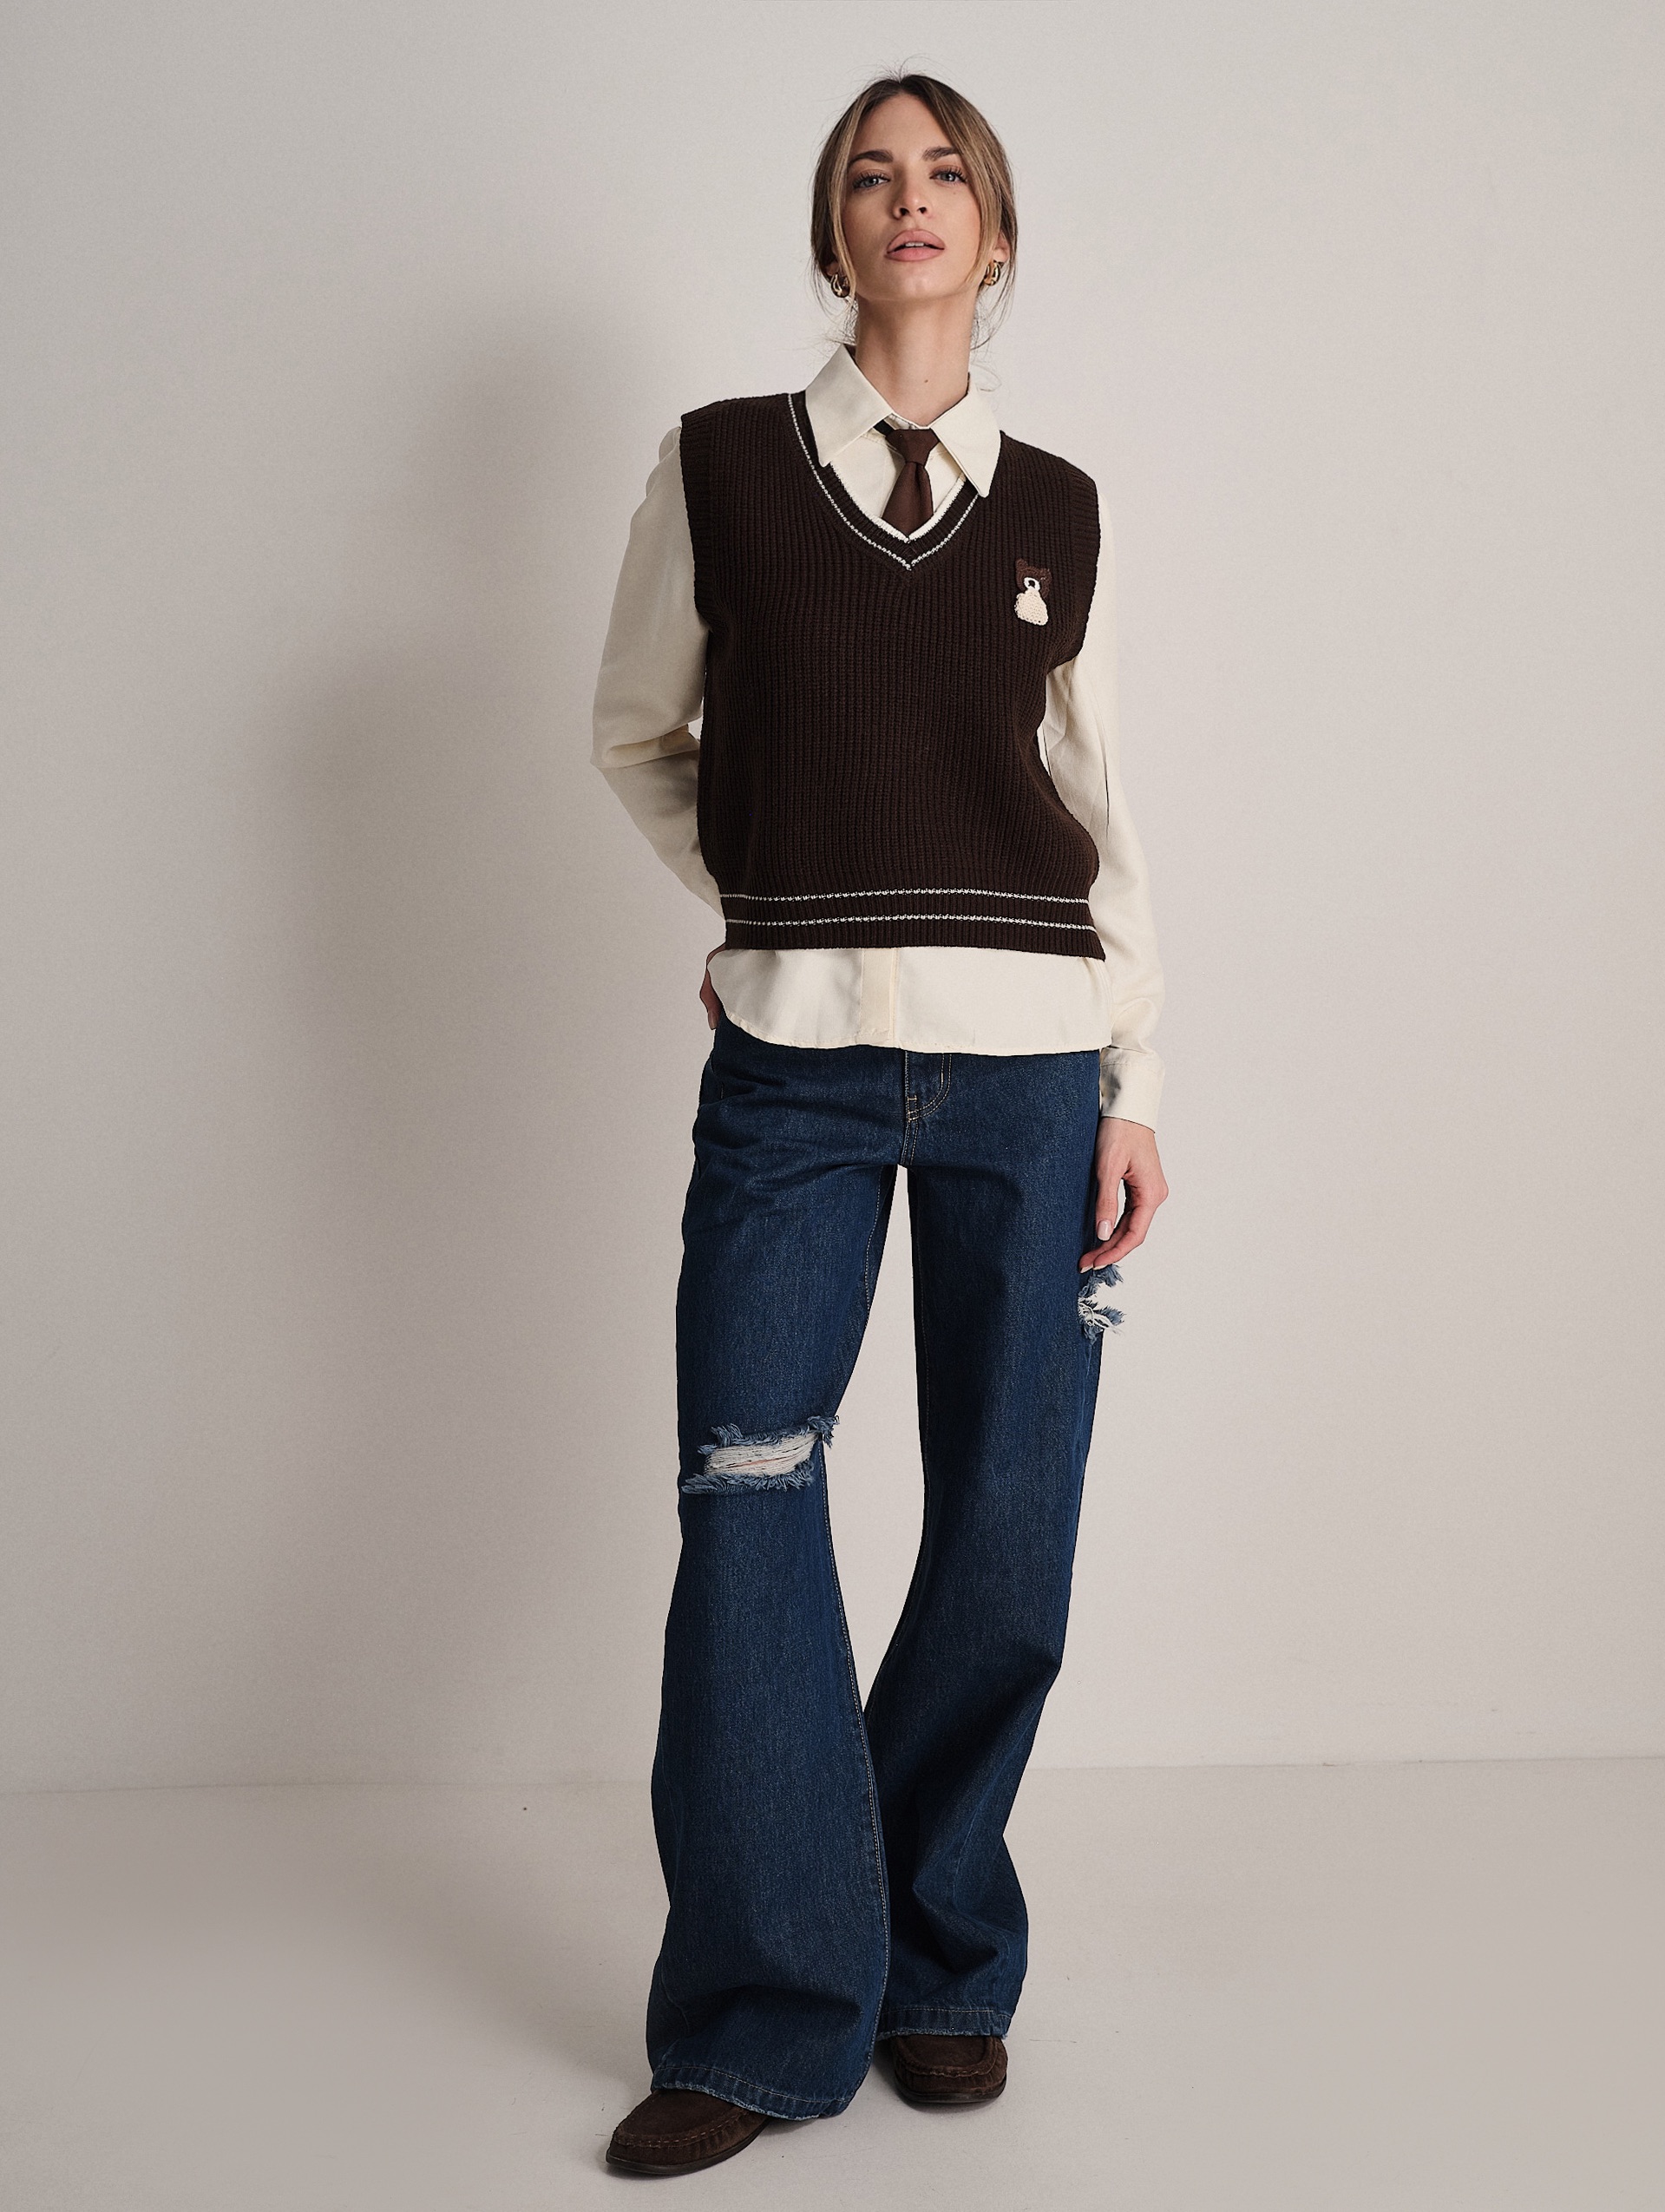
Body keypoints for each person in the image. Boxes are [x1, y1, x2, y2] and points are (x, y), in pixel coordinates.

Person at [591, 72, 1168, 2177]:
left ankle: (938, 1960)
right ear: (830, 231)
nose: (907, 201)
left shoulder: (1059, 509)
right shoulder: (724, 467)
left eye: (946, 176)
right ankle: (763, 2014)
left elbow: (1100, 813)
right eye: (869, 174)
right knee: (749, 1491)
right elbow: (636, 733)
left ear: (995, 238)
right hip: (797, 1063)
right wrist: (766, 904)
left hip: (1035, 1062)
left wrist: (1137, 1082)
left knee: (1008, 1509)